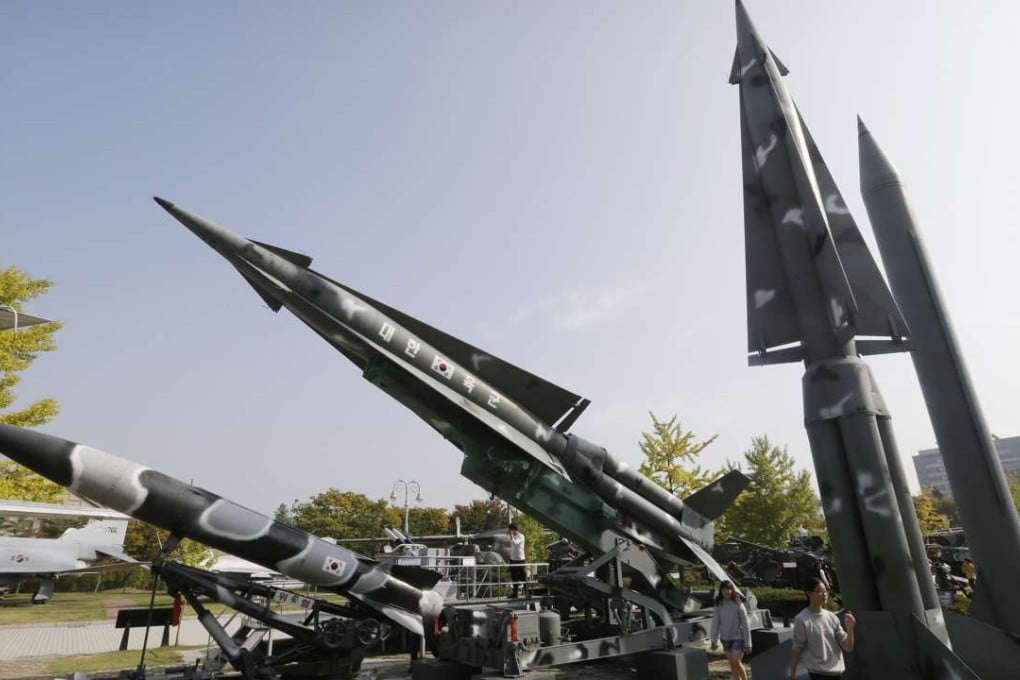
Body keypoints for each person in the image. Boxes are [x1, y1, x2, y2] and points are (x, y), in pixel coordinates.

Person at [790, 577, 856, 680]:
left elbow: (848, 647)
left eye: (825, 591)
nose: (824, 594)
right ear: (809, 593)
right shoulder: (802, 619)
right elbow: (797, 647)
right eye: (819, 591)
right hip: (817, 673)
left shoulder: (832, 617)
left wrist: (850, 628)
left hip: (837, 672)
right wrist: (793, 674)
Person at [710, 580, 752, 680]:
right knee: (732, 665)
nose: (726, 591)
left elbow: (746, 625)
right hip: (725, 640)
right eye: (724, 589)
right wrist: (714, 640)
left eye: (728, 589)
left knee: (736, 662)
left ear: (732, 590)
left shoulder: (738, 604)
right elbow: (715, 624)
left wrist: (748, 643)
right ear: (721, 591)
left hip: (738, 638)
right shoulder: (719, 605)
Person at [507, 523, 527, 597]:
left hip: (520, 559)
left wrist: (511, 535)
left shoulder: (521, 536)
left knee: (523, 576)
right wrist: (511, 536)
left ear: (514, 529)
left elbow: (515, 543)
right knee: (513, 577)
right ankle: (515, 593)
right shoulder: (512, 536)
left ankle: (527, 592)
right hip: (513, 559)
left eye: (510, 529)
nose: (509, 531)